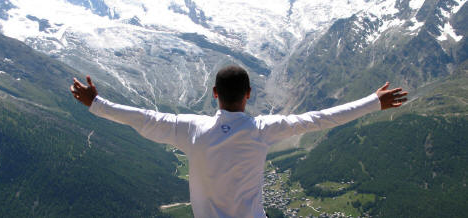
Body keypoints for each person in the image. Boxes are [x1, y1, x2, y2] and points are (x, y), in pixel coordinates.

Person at [69, 65, 407, 218]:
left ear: (214, 94)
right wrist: (373, 101)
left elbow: (143, 118)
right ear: (249, 95)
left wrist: (97, 104)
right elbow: (320, 118)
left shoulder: (190, 129)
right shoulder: (263, 129)